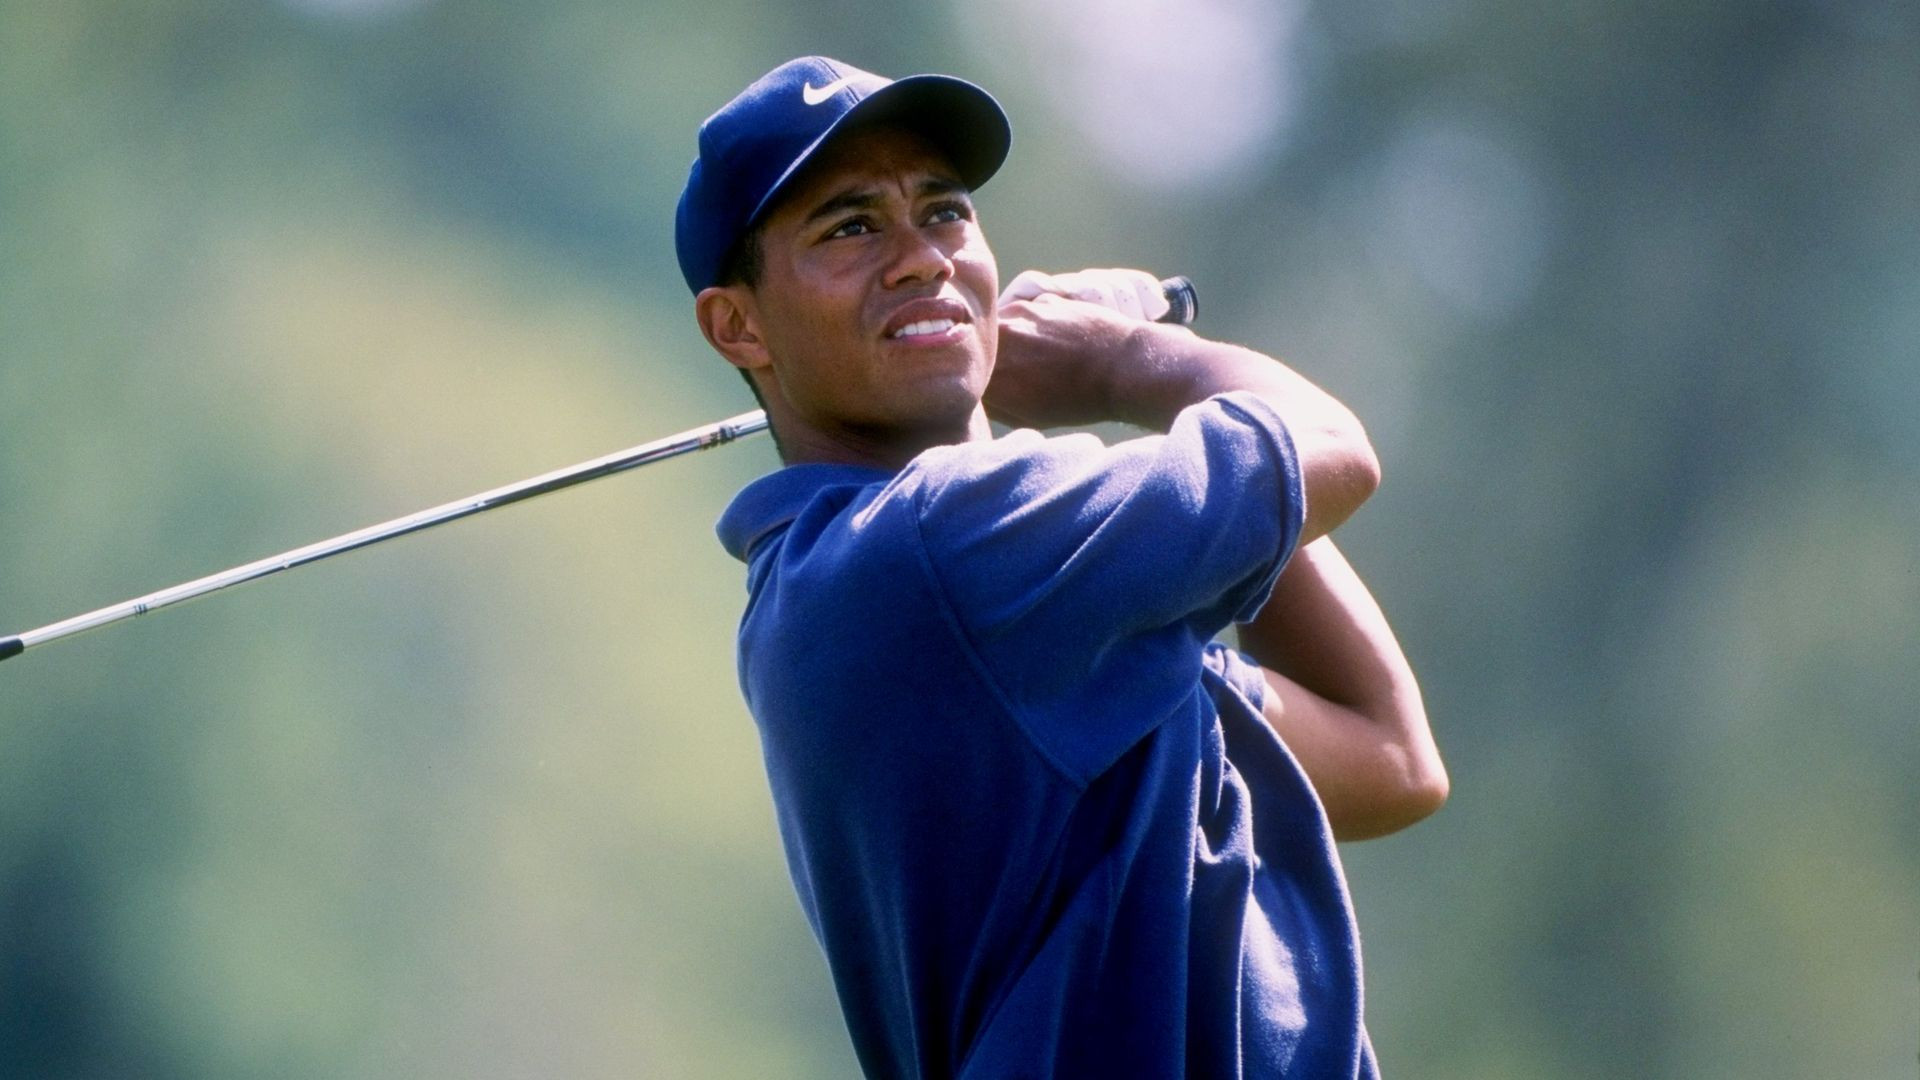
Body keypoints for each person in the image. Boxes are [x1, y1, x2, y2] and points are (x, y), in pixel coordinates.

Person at [677, 56, 1447, 1079]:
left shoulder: (1016, 614)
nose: (921, 260)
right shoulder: (940, 548)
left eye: (944, 212)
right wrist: (1123, 365)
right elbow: (1333, 448)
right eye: (850, 227)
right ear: (739, 326)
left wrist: (1167, 398)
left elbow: (1390, 759)